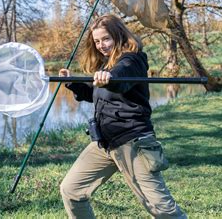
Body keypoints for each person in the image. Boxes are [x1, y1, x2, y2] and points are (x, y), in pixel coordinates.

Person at [59, 14, 186, 219]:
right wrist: (72, 82)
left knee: (162, 210)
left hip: (132, 142)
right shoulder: (105, 65)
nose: (101, 45)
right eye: (97, 41)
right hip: (105, 143)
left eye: (106, 39)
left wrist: (111, 78)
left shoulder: (132, 59)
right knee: (71, 190)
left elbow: (121, 77)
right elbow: (95, 93)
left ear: (118, 36)